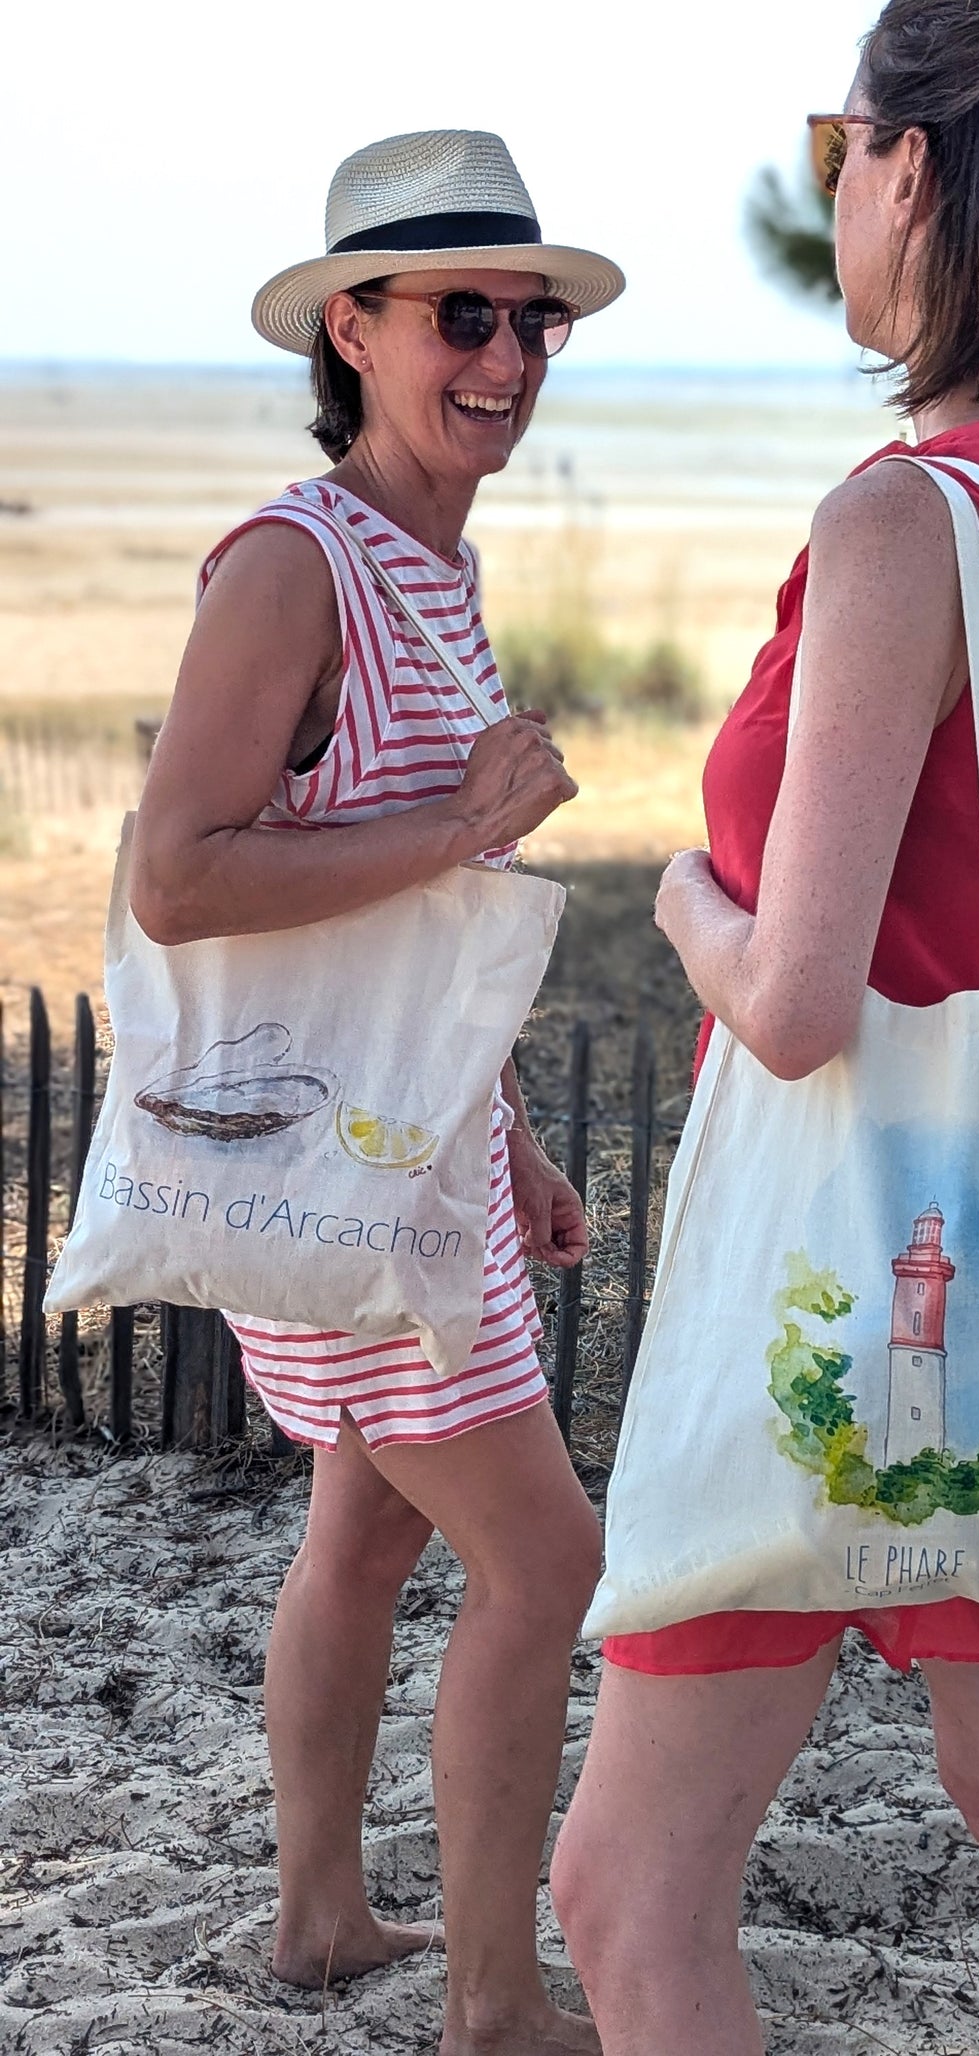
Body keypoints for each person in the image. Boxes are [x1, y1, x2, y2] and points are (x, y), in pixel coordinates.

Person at [551, 7, 979, 2053]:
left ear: (910, 168)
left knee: (626, 1893)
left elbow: (799, 1000)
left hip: (824, 1273)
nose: (835, 184)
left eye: (845, 144)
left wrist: (682, 892)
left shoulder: (899, 521)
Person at [130, 130, 624, 2056]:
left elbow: (411, 932)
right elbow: (178, 878)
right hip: (328, 1168)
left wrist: (508, 1138)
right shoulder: (292, 566)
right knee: (548, 1562)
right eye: (460, 317)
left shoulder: (434, 560)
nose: (505, 358)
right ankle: (495, 2007)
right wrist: (461, 826)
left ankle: (323, 1919)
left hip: (407, 1156)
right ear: (352, 327)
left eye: (534, 323)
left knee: (366, 1533)